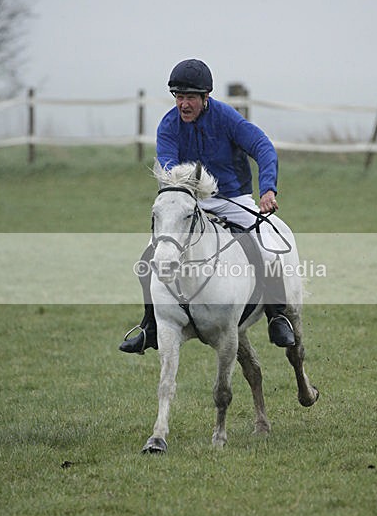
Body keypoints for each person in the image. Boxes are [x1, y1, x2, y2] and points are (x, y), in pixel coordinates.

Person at [119, 58, 295, 354]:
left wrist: (267, 189)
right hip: (191, 201)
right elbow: (170, 167)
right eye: (178, 97)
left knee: (267, 244)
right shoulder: (168, 125)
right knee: (149, 255)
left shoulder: (227, 119)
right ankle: (149, 325)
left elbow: (262, 147)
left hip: (232, 198)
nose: (183, 104)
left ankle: (277, 316)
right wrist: (183, 195)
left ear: (206, 97)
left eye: (190, 97)